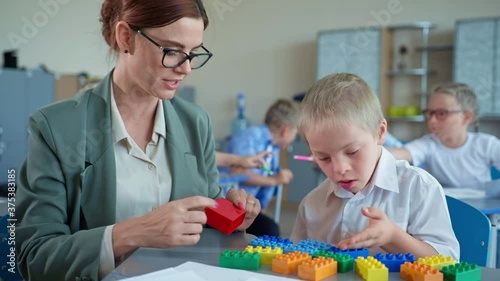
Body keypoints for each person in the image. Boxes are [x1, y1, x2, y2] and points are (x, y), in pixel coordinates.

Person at [15, 1, 260, 280]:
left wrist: (231, 215)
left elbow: (207, 212)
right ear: (126, 37)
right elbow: (33, 256)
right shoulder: (55, 128)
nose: (186, 69)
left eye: (193, 53)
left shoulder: (196, 122)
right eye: (172, 51)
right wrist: (134, 232)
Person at [290, 73, 459, 260]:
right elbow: (296, 263)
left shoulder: (418, 187)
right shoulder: (312, 204)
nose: (339, 169)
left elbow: (448, 262)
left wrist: (393, 237)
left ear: (380, 132)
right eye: (323, 158)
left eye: (352, 151)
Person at [389, 82, 500, 188]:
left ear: (466, 117)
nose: (431, 120)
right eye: (430, 113)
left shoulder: (487, 144)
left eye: (442, 113)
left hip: (483, 208)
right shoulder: (429, 144)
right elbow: (403, 153)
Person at [225, 99, 299, 236]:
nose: (293, 138)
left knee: (269, 228)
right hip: (230, 204)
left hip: (248, 207)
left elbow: (266, 176)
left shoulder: (273, 147)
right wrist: (275, 180)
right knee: (270, 230)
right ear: (285, 130)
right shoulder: (249, 137)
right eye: (295, 133)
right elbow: (238, 172)